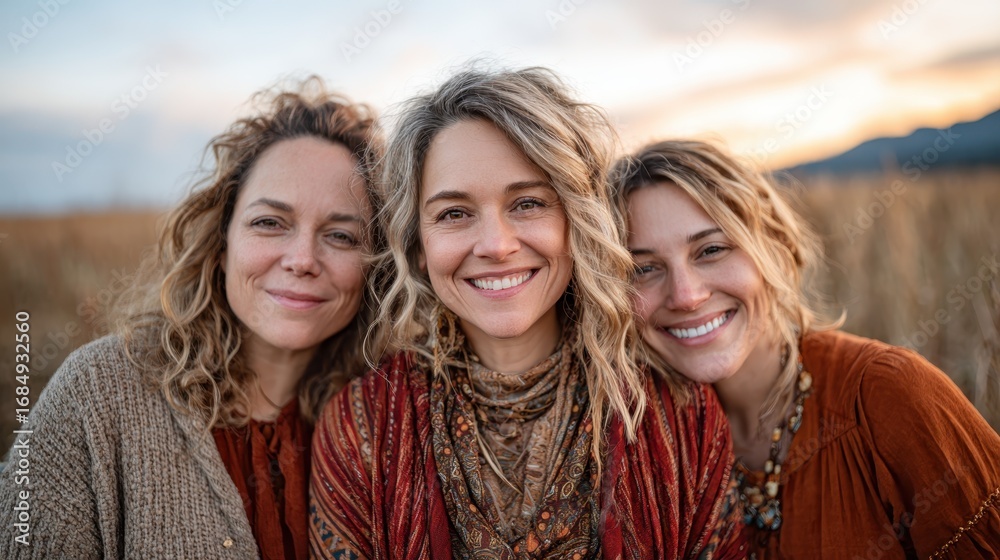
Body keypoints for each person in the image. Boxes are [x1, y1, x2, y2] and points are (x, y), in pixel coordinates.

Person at [309, 66, 746, 559]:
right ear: (416, 244)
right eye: (454, 213)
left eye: (528, 203)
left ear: (578, 220)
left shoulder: (678, 414)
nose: (496, 245)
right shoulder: (359, 426)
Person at [0, 77, 382, 559]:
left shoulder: (389, 421)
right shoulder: (96, 394)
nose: (302, 258)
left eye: (342, 235)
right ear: (221, 244)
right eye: (270, 223)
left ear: (377, 265)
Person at [611, 138, 1000, 559]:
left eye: (711, 250)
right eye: (644, 268)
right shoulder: (640, 441)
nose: (686, 296)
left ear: (774, 248)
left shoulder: (888, 395)